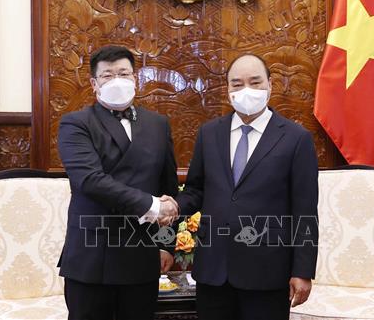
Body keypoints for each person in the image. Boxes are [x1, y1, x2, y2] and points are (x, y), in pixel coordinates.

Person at [174, 54, 319, 320]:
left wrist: (302, 271)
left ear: (270, 85)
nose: (246, 90)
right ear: (228, 89)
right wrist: (170, 206)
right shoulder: (209, 133)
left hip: (268, 273)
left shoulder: (296, 139)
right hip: (213, 271)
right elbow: (195, 190)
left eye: (255, 82)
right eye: (237, 84)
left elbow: (305, 210)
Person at [57, 45, 180, 320]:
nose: (117, 81)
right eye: (108, 75)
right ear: (93, 83)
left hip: (141, 255)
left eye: (124, 74)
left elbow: (168, 187)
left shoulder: (158, 124)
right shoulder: (75, 124)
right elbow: (91, 180)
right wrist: (151, 205)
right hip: (91, 257)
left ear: (135, 79)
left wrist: (165, 244)